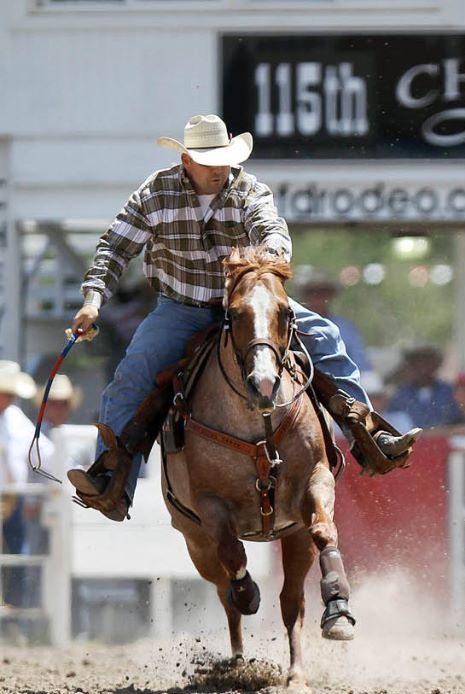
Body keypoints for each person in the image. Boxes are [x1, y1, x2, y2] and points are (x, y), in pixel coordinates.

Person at [65, 114, 420, 521]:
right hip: (182, 308)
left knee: (324, 333)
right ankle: (112, 480)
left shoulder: (249, 190)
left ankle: (368, 436)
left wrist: (263, 270)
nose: (220, 169)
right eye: (209, 160)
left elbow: (272, 231)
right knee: (134, 373)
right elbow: (114, 248)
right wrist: (94, 301)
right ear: (186, 162)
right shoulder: (156, 193)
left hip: (249, 303)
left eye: (224, 159)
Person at [0, 361, 45, 621]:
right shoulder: (14, 418)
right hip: (11, 496)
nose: (10, 398)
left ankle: (16, 612)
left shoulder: (16, 418)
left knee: (18, 552)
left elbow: (43, 451)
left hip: (13, 499)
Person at [295, 265, 372, 374]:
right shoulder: (295, 326)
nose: (317, 298)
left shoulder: (345, 328)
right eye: (312, 293)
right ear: (305, 297)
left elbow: (361, 364)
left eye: (322, 293)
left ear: (329, 296)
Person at [388, 346, 460, 429]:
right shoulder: (401, 395)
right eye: (418, 364)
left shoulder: (449, 392)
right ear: (411, 367)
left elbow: (458, 419)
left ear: (436, 366)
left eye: (427, 364)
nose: (423, 370)